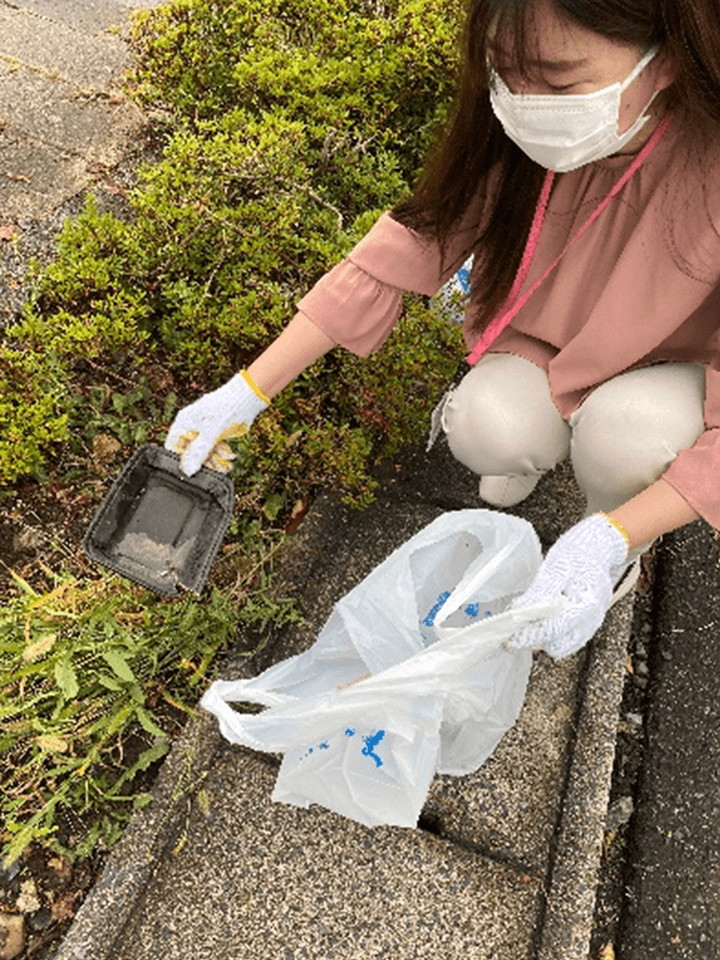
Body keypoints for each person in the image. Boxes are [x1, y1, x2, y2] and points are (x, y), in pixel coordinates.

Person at [165, 0, 720, 659]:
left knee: (622, 440)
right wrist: (250, 390)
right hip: (550, 346)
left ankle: (610, 537)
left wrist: (610, 535)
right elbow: (413, 243)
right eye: (504, 71)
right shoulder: (517, 127)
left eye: (559, 82)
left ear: (668, 61)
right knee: (486, 425)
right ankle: (537, 455)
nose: (523, 100)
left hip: (671, 373)